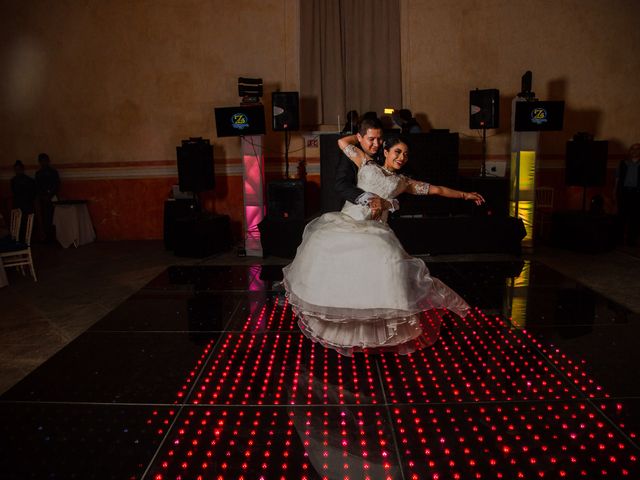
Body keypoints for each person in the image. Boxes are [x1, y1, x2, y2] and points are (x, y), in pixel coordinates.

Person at [283, 135, 484, 356]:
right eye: (397, 151)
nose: (402, 157)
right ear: (386, 151)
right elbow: (343, 143)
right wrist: (362, 137)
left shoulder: (403, 182)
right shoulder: (365, 162)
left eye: (406, 154)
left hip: (375, 230)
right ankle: (341, 327)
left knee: (387, 266)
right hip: (346, 224)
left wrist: (465, 195)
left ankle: (374, 331)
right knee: (341, 273)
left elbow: (437, 190)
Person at [334, 117, 395, 221]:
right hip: (356, 214)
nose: (376, 144)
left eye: (379, 138)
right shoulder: (350, 155)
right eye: (371, 139)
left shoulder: (385, 153)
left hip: (384, 215)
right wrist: (368, 198)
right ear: (359, 137)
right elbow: (341, 184)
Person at [614, 143, 640, 246]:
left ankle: (631, 241)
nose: (634, 151)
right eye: (632, 149)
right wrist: (614, 193)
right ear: (629, 151)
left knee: (635, 218)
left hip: (637, 194)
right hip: (623, 193)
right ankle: (618, 240)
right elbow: (617, 180)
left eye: (637, 149)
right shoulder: (622, 164)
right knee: (621, 217)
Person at [35, 152, 60, 242]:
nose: (43, 163)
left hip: (52, 198)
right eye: (42, 161)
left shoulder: (53, 172)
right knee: (44, 218)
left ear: (48, 161)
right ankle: (46, 237)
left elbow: (56, 185)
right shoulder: (38, 173)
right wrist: (43, 196)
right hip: (43, 199)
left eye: (45, 160)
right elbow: (37, 187)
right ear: (39, 162)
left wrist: (49, 195)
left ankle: (54, 237)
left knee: (54, 217)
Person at [10, 160, 37, 242]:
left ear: (22, 169)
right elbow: (14, 193)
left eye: (19, 169)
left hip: (27, 205)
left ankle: (27, 241)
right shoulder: (13, 181)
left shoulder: (29, 181)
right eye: (16, 170)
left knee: (27, 224)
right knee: (18, 225)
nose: (17, 171)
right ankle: (19, 241)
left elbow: (32, 194)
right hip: (18, 205)